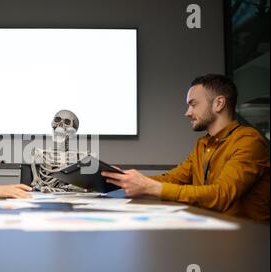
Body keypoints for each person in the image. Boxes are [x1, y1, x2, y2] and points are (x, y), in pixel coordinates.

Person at [102, 74, 269, 221]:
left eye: (193, 104)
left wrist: (150, 187)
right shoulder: (203, 144)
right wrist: (124, 179)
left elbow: (221, 195)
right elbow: (174, 179)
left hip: (246, 240)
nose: (187, 112)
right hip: (211, 231)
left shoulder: (248, 140)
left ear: (219, 103)